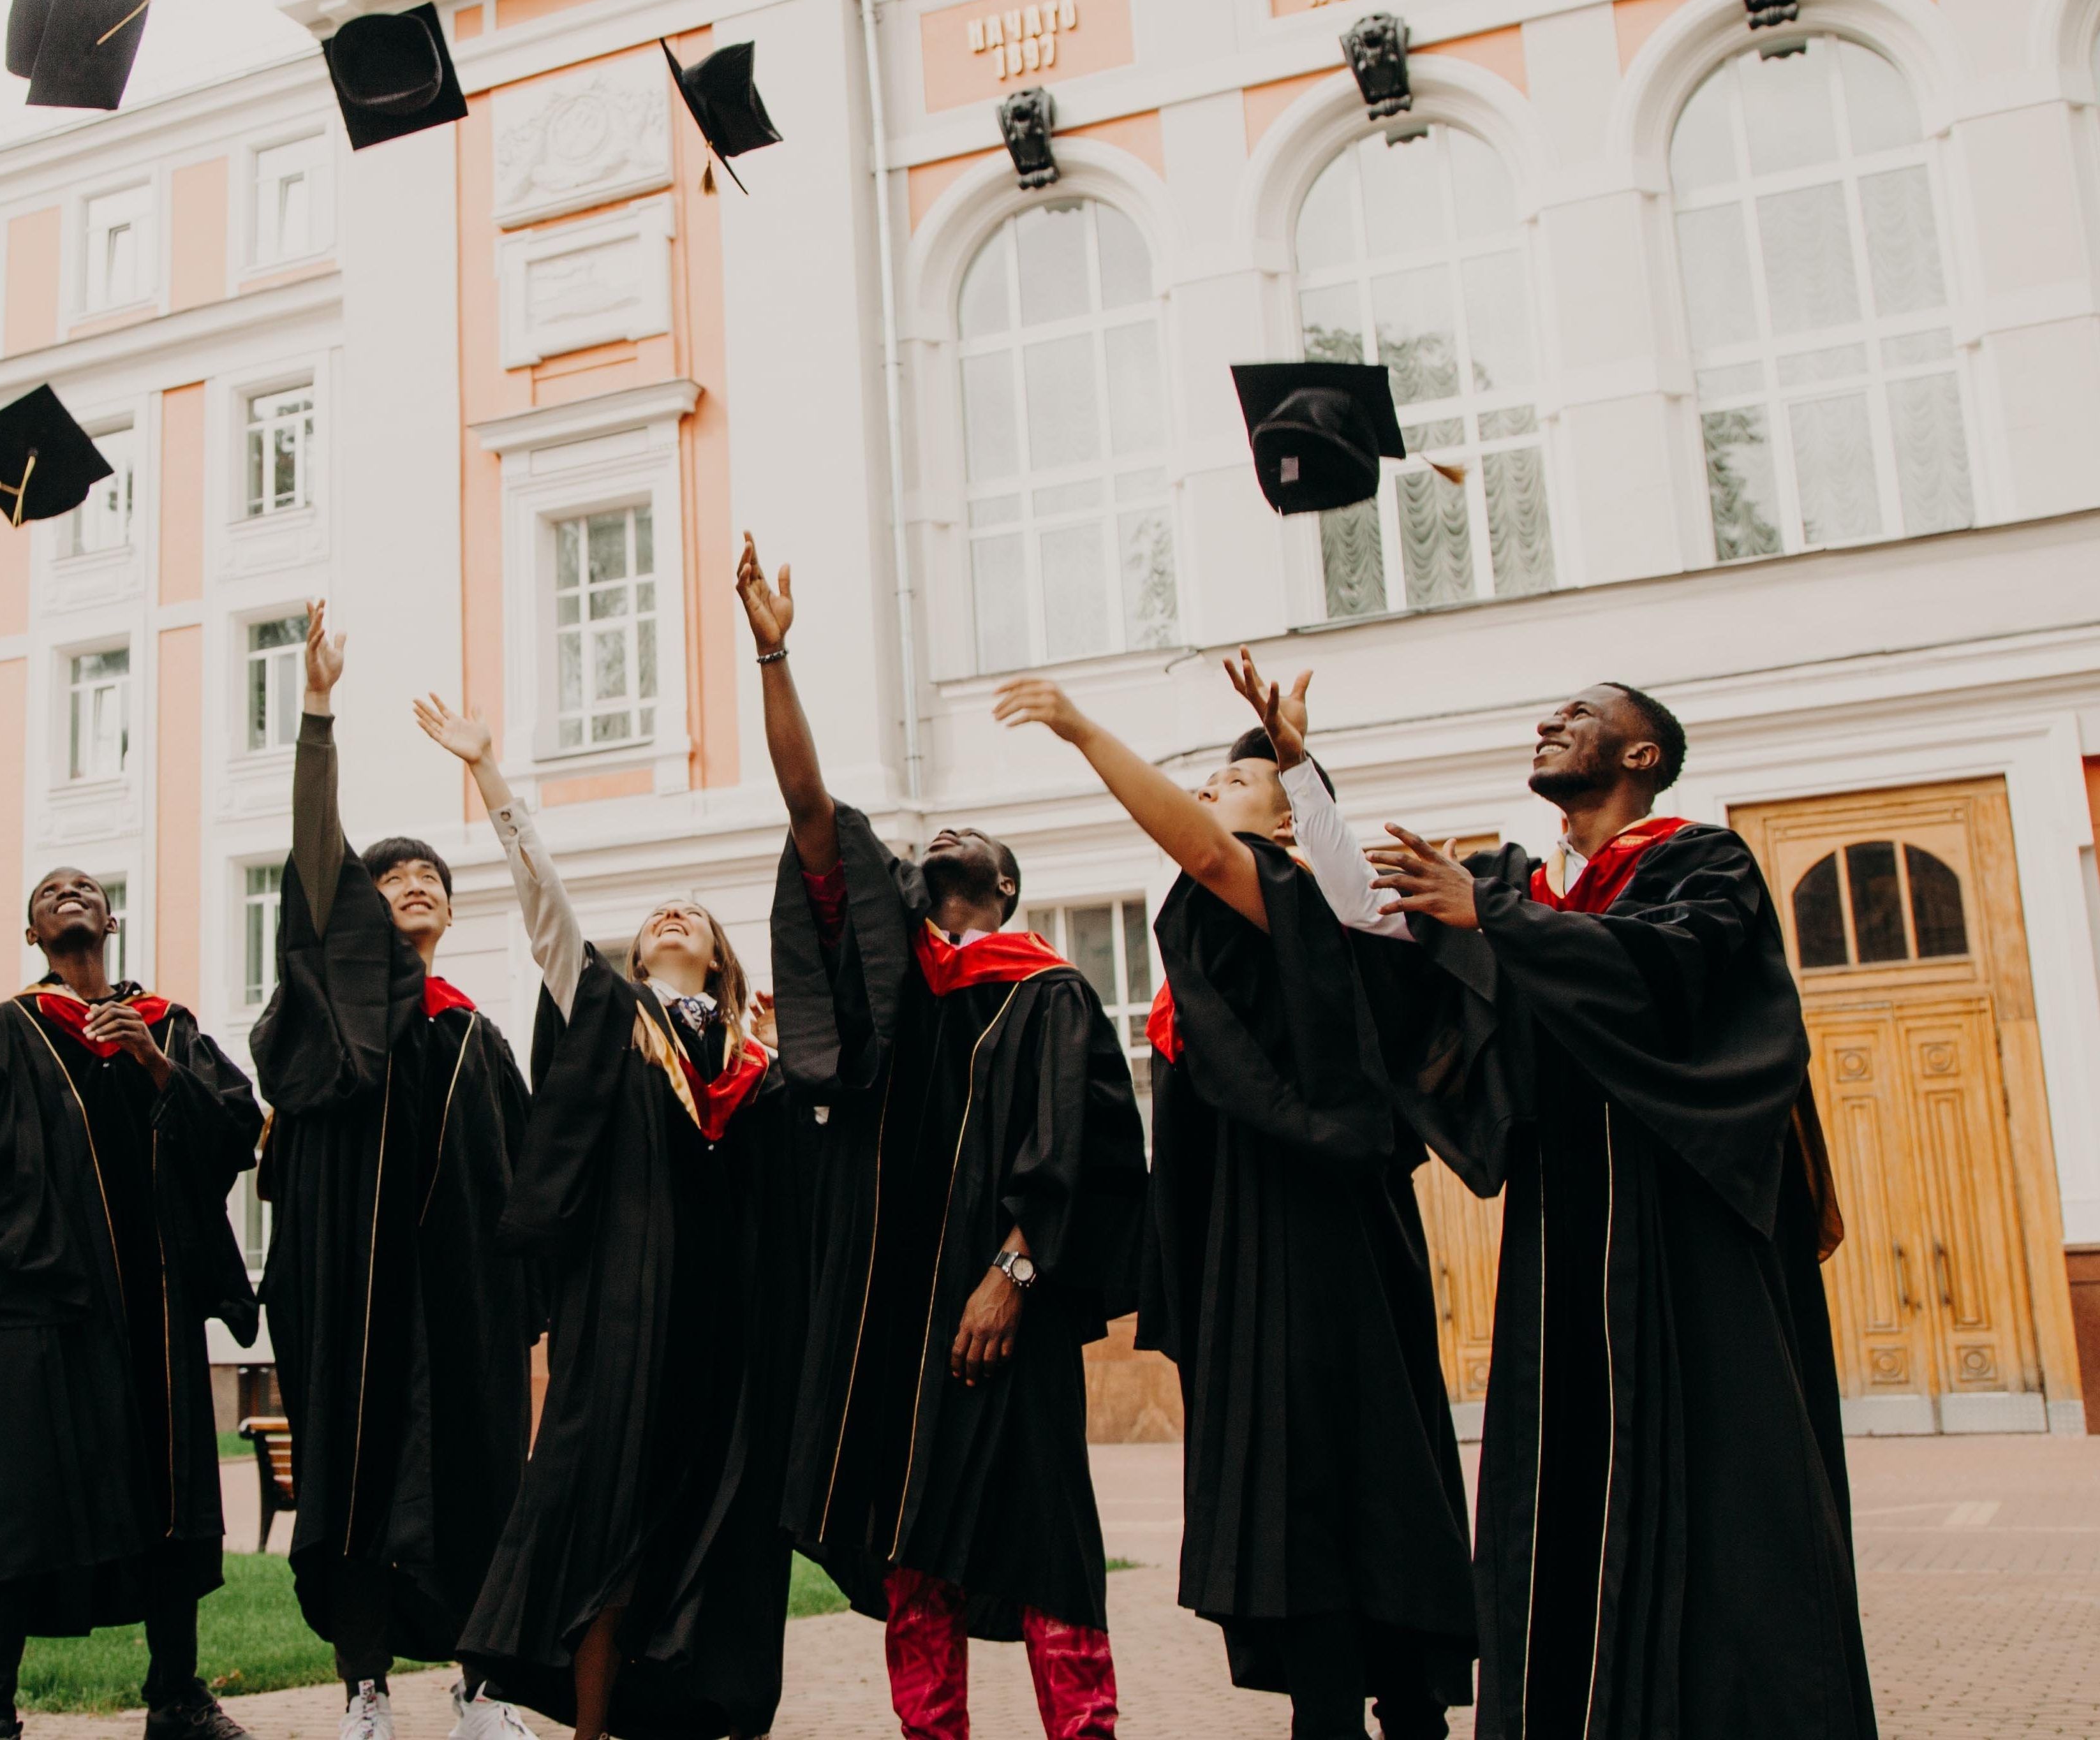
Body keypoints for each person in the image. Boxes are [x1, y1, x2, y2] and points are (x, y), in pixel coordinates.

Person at [995, 654, 1495, 1740]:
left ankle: (1389, 1707)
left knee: (1335, 1464)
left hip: (1319, 1230)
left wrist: (1082, 731)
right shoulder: (1249, 919)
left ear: (1280, 829)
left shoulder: (1299, 900)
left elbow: (1207, 844)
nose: (1209, 795)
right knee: (1307, 1468)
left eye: (1230, 785)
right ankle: (1357, 1705)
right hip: (1259, 1231)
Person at [1367, 684, 1875, 1740]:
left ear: (1641, 753)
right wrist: (1298, 779)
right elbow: (1457, 998)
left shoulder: (1703, 862)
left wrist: (1493, 916)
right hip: (1563, 1238)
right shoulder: (1525, 884)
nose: (1550, 719)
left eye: (1581, 712)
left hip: (1680, 1236)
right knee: (1553, 1503)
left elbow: (1663, 970)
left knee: (1725, 1501)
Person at [739, 540, 1147, 1740]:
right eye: (934, 841)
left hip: (1000, 1319)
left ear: (1005, 886)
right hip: (893, 1327)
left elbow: (1078, 1163)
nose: (942, 844)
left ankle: (1086, 1728)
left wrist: (1014, 1274)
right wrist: (774, 652)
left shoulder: (1049, 992)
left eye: (972, 840)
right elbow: (810, 810)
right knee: (914, 1550)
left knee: (1048, 1543)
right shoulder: (895, 991)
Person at [425, 693, 799, 1740]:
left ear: (720, 959)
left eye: (692, 913)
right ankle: (585, 1729)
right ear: (637, 956)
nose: (670, 915)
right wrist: (493, 773)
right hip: (623, 1309)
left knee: (711, 1523)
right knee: (602, 1517)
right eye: (655, 917)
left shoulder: (755, 1062)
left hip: (722, 1327)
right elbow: (544, 903)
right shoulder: (615, 1017)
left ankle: (686, 1708)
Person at [0, 867, 268, 1740]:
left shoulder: (167, 1026)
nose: (69, 895)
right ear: (32, 936)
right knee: (20, 1506)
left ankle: (175, 1699)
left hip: (153, 1310)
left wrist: (154, 1063)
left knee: (168, 1502)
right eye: (50, 892)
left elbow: (236, 1135)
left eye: (85, 888)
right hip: (47, 1312)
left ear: (111, 918)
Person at [249, 604, 536, 1740]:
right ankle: (365, 1685)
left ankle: (479, 1688)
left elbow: (531, 1188)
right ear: (361, 913)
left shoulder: (481, 1038)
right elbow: (316, 857)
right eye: (394, 875)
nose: (416, 882)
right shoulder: (334, 1019)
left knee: (476, 1490)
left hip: (462, 1310)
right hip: (353, 1306)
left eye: (432, 877)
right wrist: (317, 711)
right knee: (359, 1490)